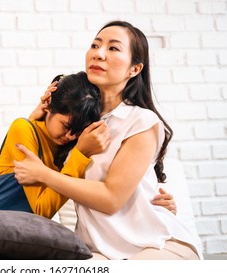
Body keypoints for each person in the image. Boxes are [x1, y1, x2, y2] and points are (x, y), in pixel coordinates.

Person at [13, 20, 202, 260]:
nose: (99, 54)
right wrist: (38, 115)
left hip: (155, 243)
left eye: (113, 48)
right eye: (95, 45)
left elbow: (112, 199)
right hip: (96, 250)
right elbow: (24, 167)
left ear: (134, 69)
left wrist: (44, 174)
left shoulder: (141, 121)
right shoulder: (74, 120)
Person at [0, 71, 105, 259]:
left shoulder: (67, 151)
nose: (70, 136)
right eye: (66, 125)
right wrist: (80, 154)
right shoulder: (23, 128)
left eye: (78, 131)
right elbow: (41, 209)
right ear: (50, 107)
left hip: (24, 240)